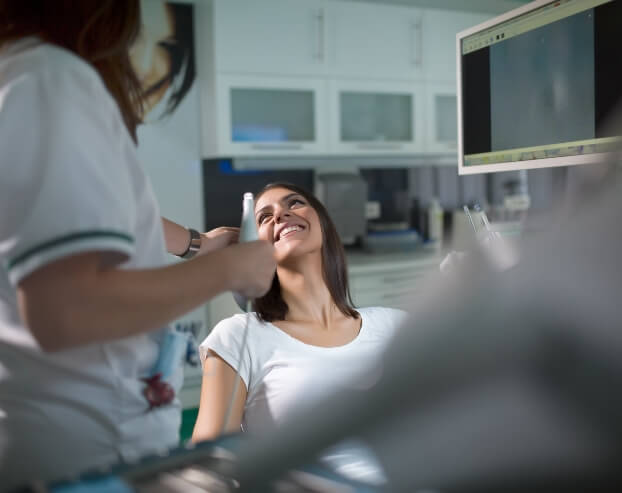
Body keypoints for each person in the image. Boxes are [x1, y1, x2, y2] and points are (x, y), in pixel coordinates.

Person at [0, 0, 275, 489]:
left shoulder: (26, 76)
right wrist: (231, 270)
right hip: (88, 453)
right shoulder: (54, 80)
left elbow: (97, 213)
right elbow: (64, 309)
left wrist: (200, 245)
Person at [192, 183, 407, 483]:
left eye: (294, 203)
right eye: (265, 218)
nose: (281, 214)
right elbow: (208, 468)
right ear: (254, 246)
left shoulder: (394, 326)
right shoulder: (239, 336)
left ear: (323, 223)